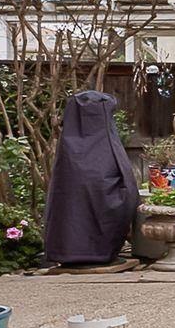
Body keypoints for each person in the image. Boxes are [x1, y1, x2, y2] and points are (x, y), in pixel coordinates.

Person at [43, 91, 138, 265]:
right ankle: (97, 252)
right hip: (104, 248)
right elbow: (127, 186)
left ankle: (69, 252)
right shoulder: (106, 140)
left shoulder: (69, 144)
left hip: (66, 252)